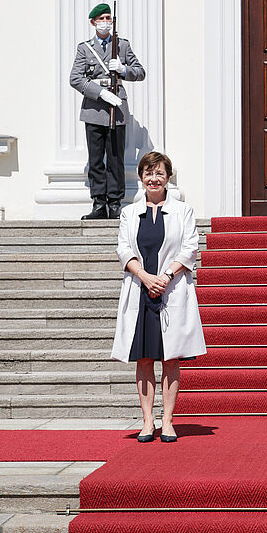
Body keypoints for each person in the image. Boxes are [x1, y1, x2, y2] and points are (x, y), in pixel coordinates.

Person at [111, 151, 206, 443]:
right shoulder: (129, 212)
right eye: (149, 173)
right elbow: (123, 249)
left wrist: (164, 277)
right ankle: (147, 421)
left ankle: (167, 421)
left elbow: (190, 247)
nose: (154, 179)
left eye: (159, 173)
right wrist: (145, 277)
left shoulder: (183, 211)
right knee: (143, 359)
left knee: (170, 358)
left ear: (168, 177)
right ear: (141, 177)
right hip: (141, 291)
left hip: (170, 289)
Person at [69, 3, 146, 220]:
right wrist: (100, 93)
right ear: (93, 22)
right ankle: (99, 204)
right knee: (96, 160)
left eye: (108, 18)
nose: (106, 22)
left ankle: (115, 203)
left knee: (115, 158)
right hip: (94, 108)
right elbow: (75, 78)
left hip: (117, 109)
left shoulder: (122, 45)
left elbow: (140, 72)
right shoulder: (85, 48)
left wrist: (123, 69)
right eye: (101, 18)